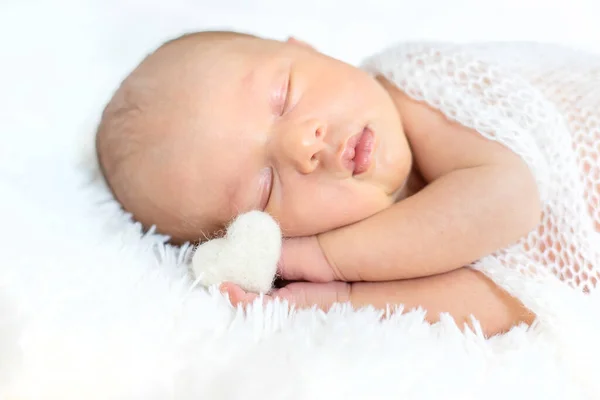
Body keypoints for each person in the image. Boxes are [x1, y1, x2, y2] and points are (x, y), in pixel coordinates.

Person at [95, 31, 600, 336]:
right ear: (259, 238)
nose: (303, 144)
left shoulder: (416, 85)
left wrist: (320, 258)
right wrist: (343, 299)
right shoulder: (373, 252)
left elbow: (510, 201)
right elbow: (517, 302)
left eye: (282, 96)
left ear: (308, 49)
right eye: (265, 189)